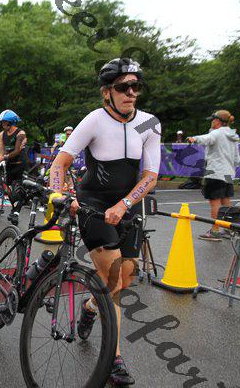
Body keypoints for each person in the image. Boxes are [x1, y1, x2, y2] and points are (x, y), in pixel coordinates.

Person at [49, 58, 161, 386]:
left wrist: (124, 204)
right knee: (113, 281)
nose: (131, 93)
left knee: (125, 279)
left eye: (136, 86)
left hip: (127, 205)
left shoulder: (149, 123)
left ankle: (89, 307)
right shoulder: (95, 120)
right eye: (123, 87)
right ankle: (114, 357)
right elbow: (60, 163)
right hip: (94, 205)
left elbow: (151, 175)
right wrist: (58, 194)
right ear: (106, 92)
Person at [187, 110, 239, 241]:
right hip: (228, 173)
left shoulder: (217, 133)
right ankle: (228, 230)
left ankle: (215, 231)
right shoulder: (233, 136)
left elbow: (206, 138)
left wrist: (194, 139)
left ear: (218, 121)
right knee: (226, 201)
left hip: (215, 172)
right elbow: (237, 159)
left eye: (213, 120)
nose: (211, 122)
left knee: (215, 203)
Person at [0, 109, 28, 226]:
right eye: (2, 122)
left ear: (11, 122)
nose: (3, 124)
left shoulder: (21, 134)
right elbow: (1, 151)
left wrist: (4, 157)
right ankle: (14, 209)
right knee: (9, 189)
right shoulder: (2, 134)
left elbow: (17, 150)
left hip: (20, 163)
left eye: (5, 122)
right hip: (9, 164)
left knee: (18, 189)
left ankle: (16, 213)